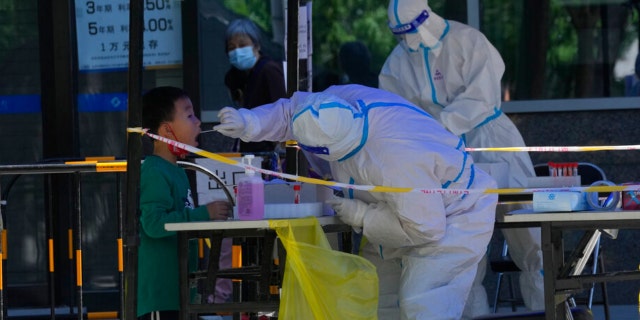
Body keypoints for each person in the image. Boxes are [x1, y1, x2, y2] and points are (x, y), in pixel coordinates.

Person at [213, 84, 498, 319]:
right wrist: (250, 122)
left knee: (422, 303)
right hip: (395, 214)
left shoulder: (395, 159)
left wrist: (362, 216)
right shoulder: (339, 103)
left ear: (331, 150)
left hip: (454, 215)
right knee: (376, 298)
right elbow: (293, 112)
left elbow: (426, 228)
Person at [379, 0, 543, 316]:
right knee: (461, 247)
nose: (408, 41)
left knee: (530, 233)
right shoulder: (396, 64)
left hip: (490, 138)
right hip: (442, 155)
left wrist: (441, 125)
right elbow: (396, 113)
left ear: (427, 19)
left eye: (411, 31)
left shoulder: (468, 41)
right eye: (400, 35)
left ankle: (550, 308)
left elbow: (481, 97)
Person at [138, 86, 233, 320]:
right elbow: (153, 223)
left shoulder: (176, 170)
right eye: (189, 115)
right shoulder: (154, 171)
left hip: (179, 292)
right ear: (166, 130)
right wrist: (204, 214)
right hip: (160, 295)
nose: (198, 122)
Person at [224, 18, 287, 153]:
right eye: (231, 47)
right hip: (250, 148)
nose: (237, 51)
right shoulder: (236, 77)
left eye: (242, 45)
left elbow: (282, 111)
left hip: (269, 150)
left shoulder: (268, 70)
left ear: (256, 46)